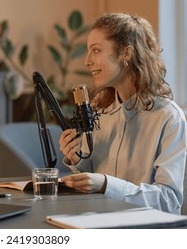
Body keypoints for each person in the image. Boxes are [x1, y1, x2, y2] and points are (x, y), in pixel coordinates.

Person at [59, 12, 187, 214]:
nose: (87, 61)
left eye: (96, 50)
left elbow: (169, 201)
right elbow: (93, 180)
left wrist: (107, 184)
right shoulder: (98, 111)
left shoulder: (168, 118)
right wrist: (77, 160)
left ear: (126, 54)